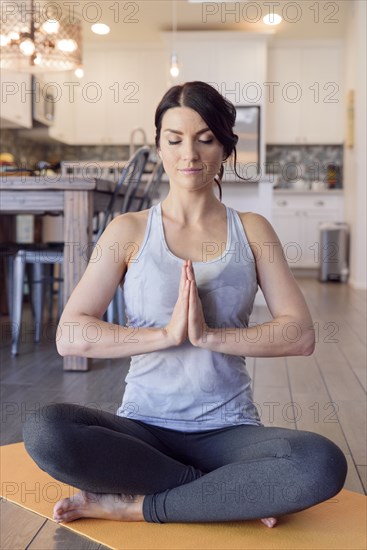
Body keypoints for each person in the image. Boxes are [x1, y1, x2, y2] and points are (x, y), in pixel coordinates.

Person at [23, 81, 347, 527]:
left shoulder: (252, 229)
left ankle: (137, 505)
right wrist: (165, 335)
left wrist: (209, 336)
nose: (189, 154)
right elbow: (70, 334)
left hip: (230, 432)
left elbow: (301, 334)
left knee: (320, 461)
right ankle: (223, 492)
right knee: (47, 431)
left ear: (225, 148)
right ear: (159, 146)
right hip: (143, 430)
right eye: (174, 140)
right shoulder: (129, 229)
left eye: (205, 139)